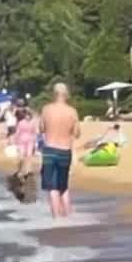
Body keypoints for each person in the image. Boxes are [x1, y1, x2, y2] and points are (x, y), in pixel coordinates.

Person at [39, 82, 81, 218]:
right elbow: (77, 133)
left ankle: (57, 219)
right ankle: (68, 216)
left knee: (52, 187)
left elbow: (41, 129)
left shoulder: (46, 109)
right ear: (66, 94)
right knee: (63, 186)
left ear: (54, 94)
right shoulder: (72, 111)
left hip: (50, 150)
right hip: (65, 151)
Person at [13, 107, 39, 174]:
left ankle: (28, 170)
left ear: (30, 116)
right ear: (25, 116)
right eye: (27, 115)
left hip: (30, 141)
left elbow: (35, 133)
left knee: (29, 155)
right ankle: (19, 170)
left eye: (29, 115)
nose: (27, 117)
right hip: (22, 141)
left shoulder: (32, 123)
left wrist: (36, 143)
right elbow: (17, 133)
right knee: (21, 156)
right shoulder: (21, 123)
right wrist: (16, 142)